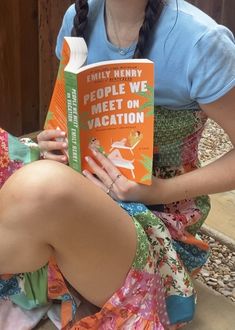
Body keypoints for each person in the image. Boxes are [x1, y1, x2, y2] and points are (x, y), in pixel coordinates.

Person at [0, 0, 235, 329]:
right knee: (36, 177)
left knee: (42, 187)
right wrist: (51, 143)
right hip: (74, 193)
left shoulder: (202, 43)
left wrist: (160, 189)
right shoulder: (77, 19)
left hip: (154, 225)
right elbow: (64, 117)